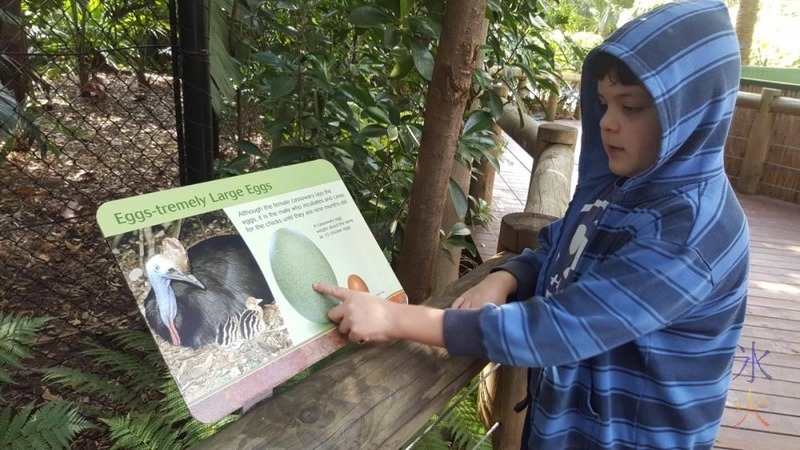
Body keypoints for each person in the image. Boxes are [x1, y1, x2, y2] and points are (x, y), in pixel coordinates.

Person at [314, 1, 749, 448]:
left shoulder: (689, 232)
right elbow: (565, 247)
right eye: (602, 104)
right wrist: (508, 275)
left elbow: (559, 328)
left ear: (692, 113)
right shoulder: (624, 185)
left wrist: (397, 319)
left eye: (632, 107)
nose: (607, 123)